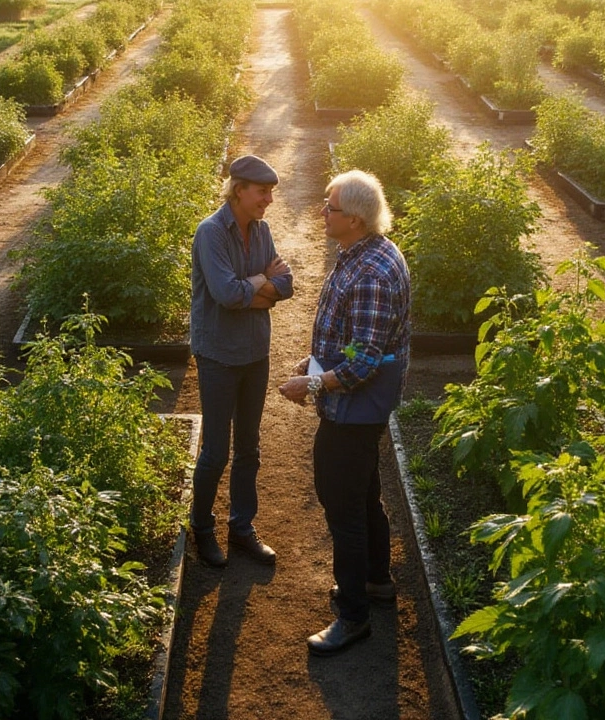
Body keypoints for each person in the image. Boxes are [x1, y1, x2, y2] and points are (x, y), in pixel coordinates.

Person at [278, 169, 410, 656]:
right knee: (365, 490)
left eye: (329, 206)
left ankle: (353, 616)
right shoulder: (363, 252)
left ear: (354, 219)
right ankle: (376, 581)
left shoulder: (372, 272)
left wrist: (310, 383)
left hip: (354, 410)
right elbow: (351, 337)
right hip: (357, 406)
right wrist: (313, 360)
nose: (321, 211)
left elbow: (366, 361)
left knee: (343, 506)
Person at [189, 154, 294, 568]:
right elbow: (226, 295)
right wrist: (261, 283)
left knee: (249, 446)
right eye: (262, 192)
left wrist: (260, 286)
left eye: (270, 192)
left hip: (255, 354)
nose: (268, 199)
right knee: (216, 450)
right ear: (239, 190)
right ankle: (201, 527)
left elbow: (287, 285)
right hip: (218, 355)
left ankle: (242, 526)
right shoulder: (211, 233)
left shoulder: (262, 230)